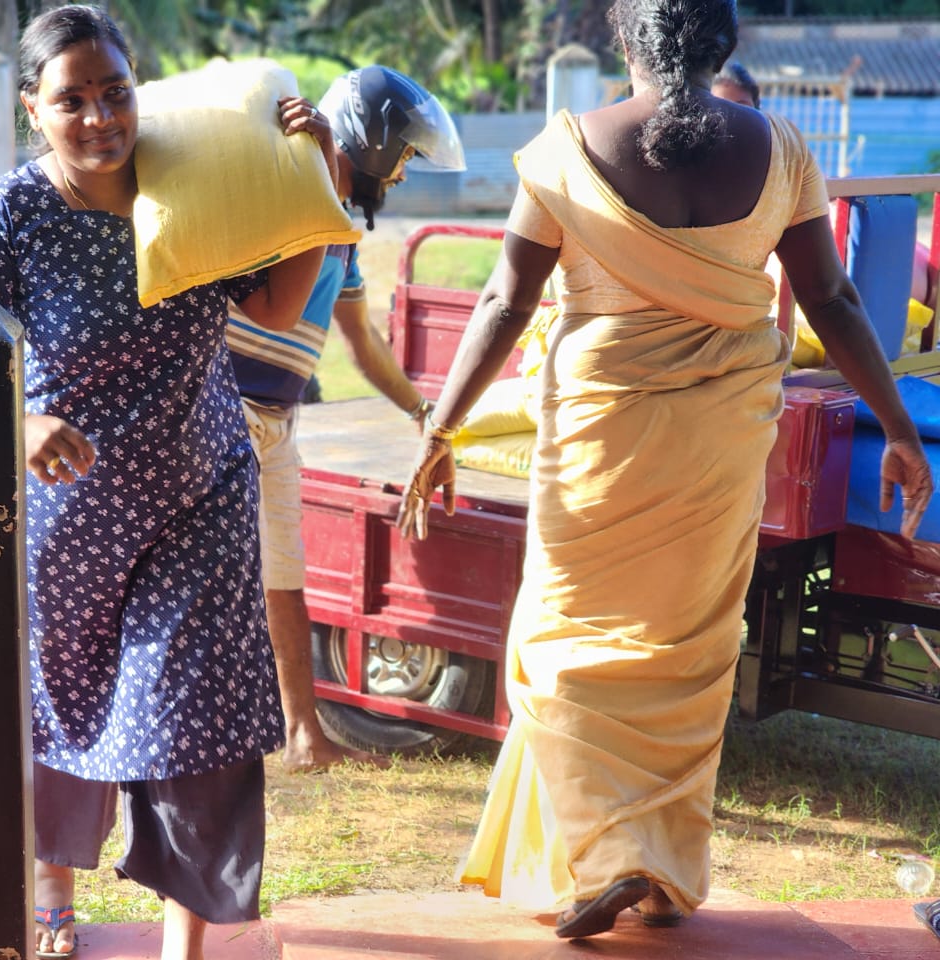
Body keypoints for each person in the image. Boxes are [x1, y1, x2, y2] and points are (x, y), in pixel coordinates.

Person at [396, 0, 934, 940]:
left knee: (560, 647)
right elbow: (835, 300)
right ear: (724, 42)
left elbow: (504, 299)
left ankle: (612, 859)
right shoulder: (782, 151)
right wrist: (897, 427)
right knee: (687, 653)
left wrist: (440, 428)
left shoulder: (566, 147)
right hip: (722, 443)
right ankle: (657, 871)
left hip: (601, 438)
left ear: (623, 37)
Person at [0, 6, 327, 959]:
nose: (102, 117)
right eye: (73, 100)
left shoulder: (188, 179)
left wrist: (310, 180)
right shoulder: (13, 215)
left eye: (116, 92)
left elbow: (275, 301)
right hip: (73, 524)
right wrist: (19, 420)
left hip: (200, 500)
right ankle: (52, 899)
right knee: (63, 712)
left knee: (194, 729)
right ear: (35, 108)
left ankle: (182, 948)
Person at [227, 65, 467, 771]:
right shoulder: (290, 192)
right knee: (221, 577)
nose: (397, 178)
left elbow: (364, 345)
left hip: (279, 419)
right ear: (373, 143)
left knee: (285, 576)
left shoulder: (343, 238)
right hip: (225, 406)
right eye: (400, 161)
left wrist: (429, 415)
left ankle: (304, 736)